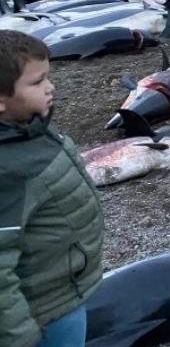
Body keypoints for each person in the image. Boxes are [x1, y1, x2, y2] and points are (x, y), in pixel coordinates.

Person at [0, 30, 105, 347]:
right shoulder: (9, 169)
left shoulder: (28, 128)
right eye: (36, 82)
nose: (50, 87)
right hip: (43, 313)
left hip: (62, 288)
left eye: (48, 77)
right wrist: (20, 337)